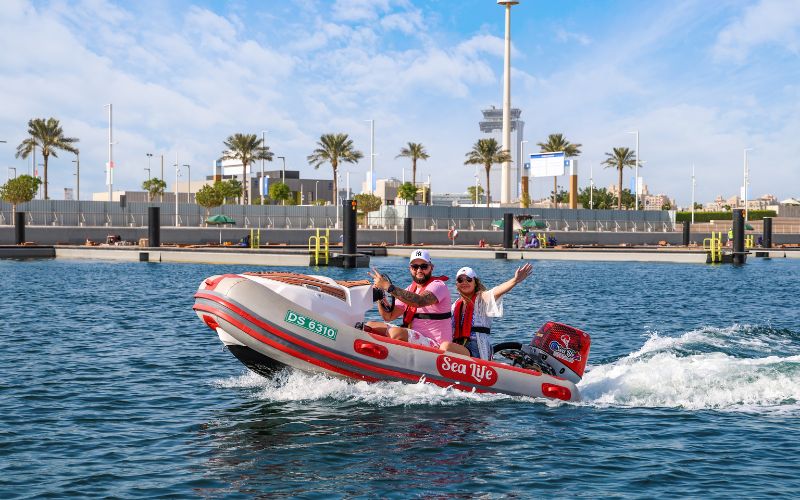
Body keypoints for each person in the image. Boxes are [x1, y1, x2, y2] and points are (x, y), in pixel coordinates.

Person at [440, 263, 533, 359]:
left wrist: (515, 280)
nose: (464, 282)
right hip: (459, 346)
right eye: (460, 280)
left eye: (468, 279)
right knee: (438, 344)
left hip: (477, 349)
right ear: (457, 284)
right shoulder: (455, 305)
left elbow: (497, 291)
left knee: (445, 346)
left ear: (475, 282)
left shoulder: (482, 299)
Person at [367, 249, 452, 349]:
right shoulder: (411, 289)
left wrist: (388, 287)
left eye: (424, 266)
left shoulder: (438, 286)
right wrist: (380, 295)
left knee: (396, 333)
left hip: (435, 344)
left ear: (431, 268)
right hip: (416, 337)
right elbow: (389, 316)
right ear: (410, 269)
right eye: (415, 267)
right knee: (371, 325)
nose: (419, 270)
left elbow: (419, 301)